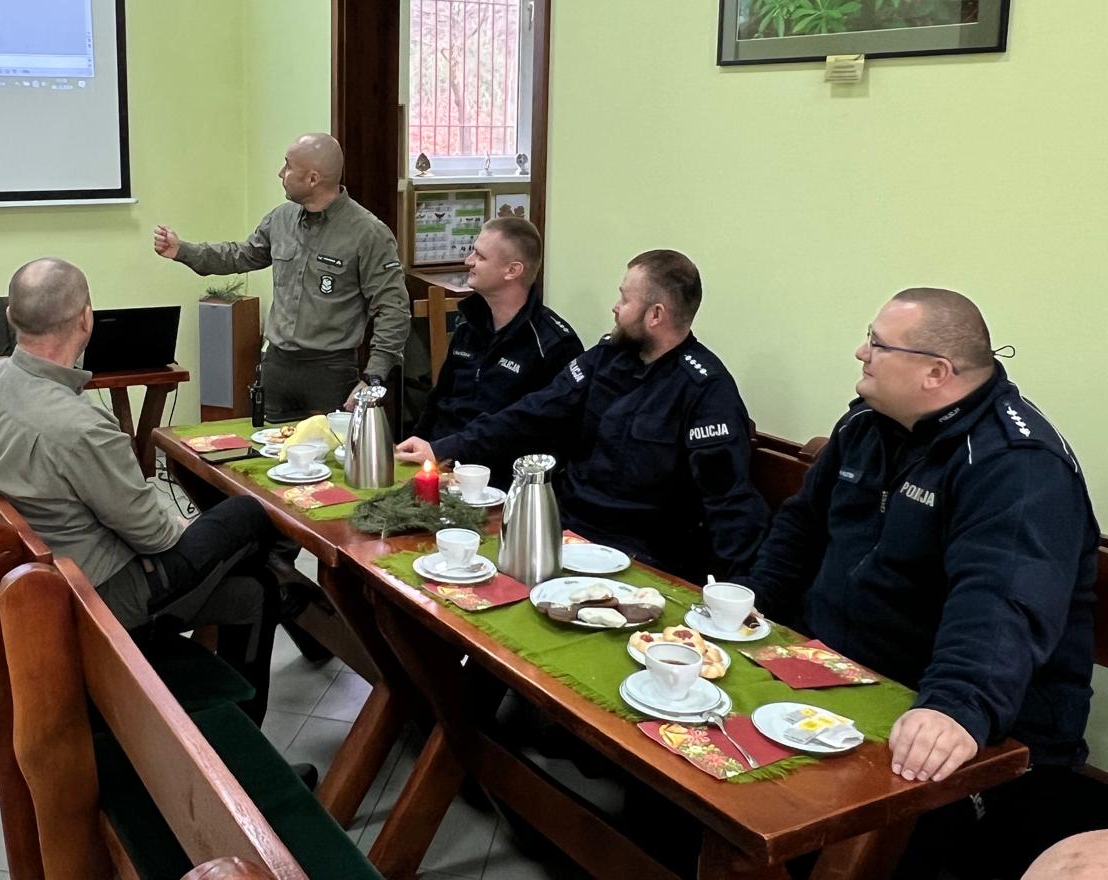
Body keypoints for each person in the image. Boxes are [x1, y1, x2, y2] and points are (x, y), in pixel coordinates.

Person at [749, 289, 1101, 877]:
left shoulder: (1017, 465)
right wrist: (752, 607)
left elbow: (1001, 602)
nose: (861, 352)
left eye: (879, 344)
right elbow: (802, 529)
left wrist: (956, 706)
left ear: (936, 372)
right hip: (838, 676)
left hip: (970, 721)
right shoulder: (866, 423)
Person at [0, 257, 279, 713]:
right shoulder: (84, 426)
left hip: (45, 577)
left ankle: (237, 732)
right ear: (86, 319)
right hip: (101, 595)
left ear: (11, 315)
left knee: (257, 585)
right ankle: (242, 741)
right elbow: (155, 536)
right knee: (249, 514)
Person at [396, 249, 766, 583]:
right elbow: (532, 413)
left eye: (624, 297)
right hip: (567, 528)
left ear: (656, 315)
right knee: (443, 566)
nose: (616, 307)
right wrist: (443, 447)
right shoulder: (608, 357)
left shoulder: (704, 389)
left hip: (641, 554)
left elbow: (729, 502)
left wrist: (747, 594)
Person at [154, 132, 407, 421]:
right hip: (277, 367)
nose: (280, 173)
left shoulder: (368, 233)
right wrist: (183, 250)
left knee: (332, 460)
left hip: (331, 373)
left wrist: (374, 376)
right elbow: (241, 254)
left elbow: (393, 308)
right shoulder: (281, 219)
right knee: (266, 454)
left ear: (312, 179)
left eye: (287, 166)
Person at [412, 216, 584, 482]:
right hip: (440, 462)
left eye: (479, 256)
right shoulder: (469, 323)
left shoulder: (553, 344)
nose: (468, 261)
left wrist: (445, 452)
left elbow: (533, 431)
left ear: (512, 270)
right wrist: (418, 446)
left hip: (497, 479)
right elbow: (440, 398)